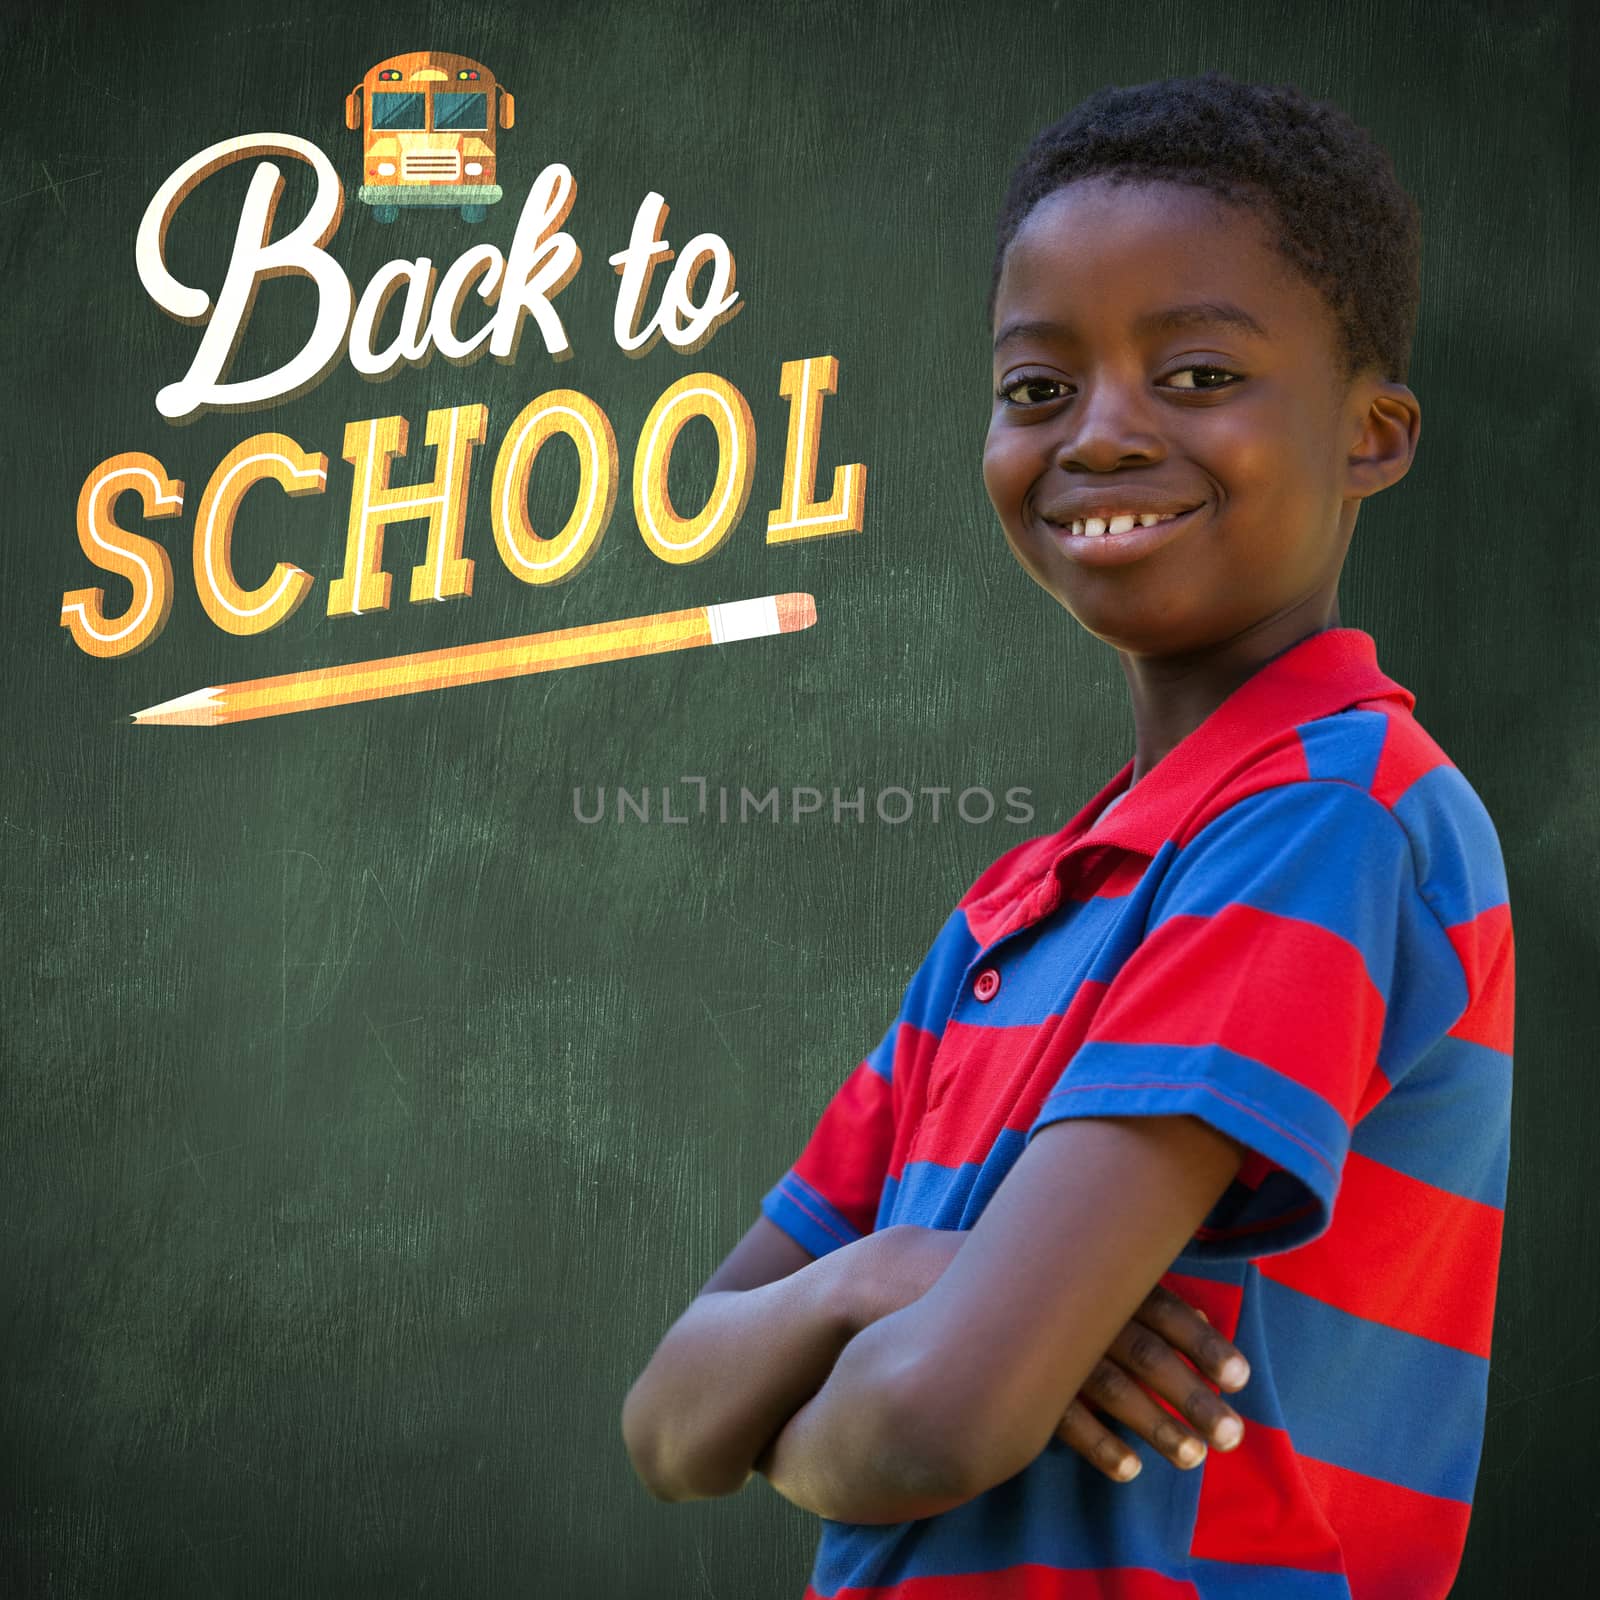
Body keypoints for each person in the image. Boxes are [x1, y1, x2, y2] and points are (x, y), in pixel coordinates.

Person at [622, 72, 1515, 1600]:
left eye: (1198, 374)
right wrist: (895, 1274)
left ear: (1371, 435)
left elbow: (931, 1425)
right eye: (1038, 389)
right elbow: (670, 1421)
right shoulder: (1011, 919)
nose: (1100, 436)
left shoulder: (1325, 821)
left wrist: (872, 1359)